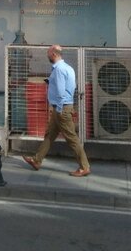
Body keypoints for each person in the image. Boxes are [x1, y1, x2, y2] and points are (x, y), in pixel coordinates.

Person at [22, 44, 90, 176]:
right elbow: (70, 86)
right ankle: (37, 160)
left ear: (53, 54)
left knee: (71, 138)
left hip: (61, 108)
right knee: (50, 135)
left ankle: (84, 167)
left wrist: (58, 109)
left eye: (48, 53)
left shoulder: (58, 70)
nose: (47, 55)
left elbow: (60, 92)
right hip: (62, 107)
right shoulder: (68, 68)